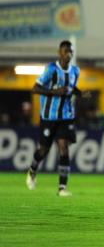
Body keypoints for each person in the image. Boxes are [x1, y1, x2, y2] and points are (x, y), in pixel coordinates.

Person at [25, 40, 89, 196]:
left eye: (70, 51)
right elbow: (35, 88)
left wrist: (80, 93)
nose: (68, 54)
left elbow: (71, 87)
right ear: (59, 53)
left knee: (63, 147)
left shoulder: (75, 71)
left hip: (66, 116)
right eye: (65, 51)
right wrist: (54, 92)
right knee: (43, 150)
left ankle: (62, 188)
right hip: (49, 116)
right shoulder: (52, 69)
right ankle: (32, 170)